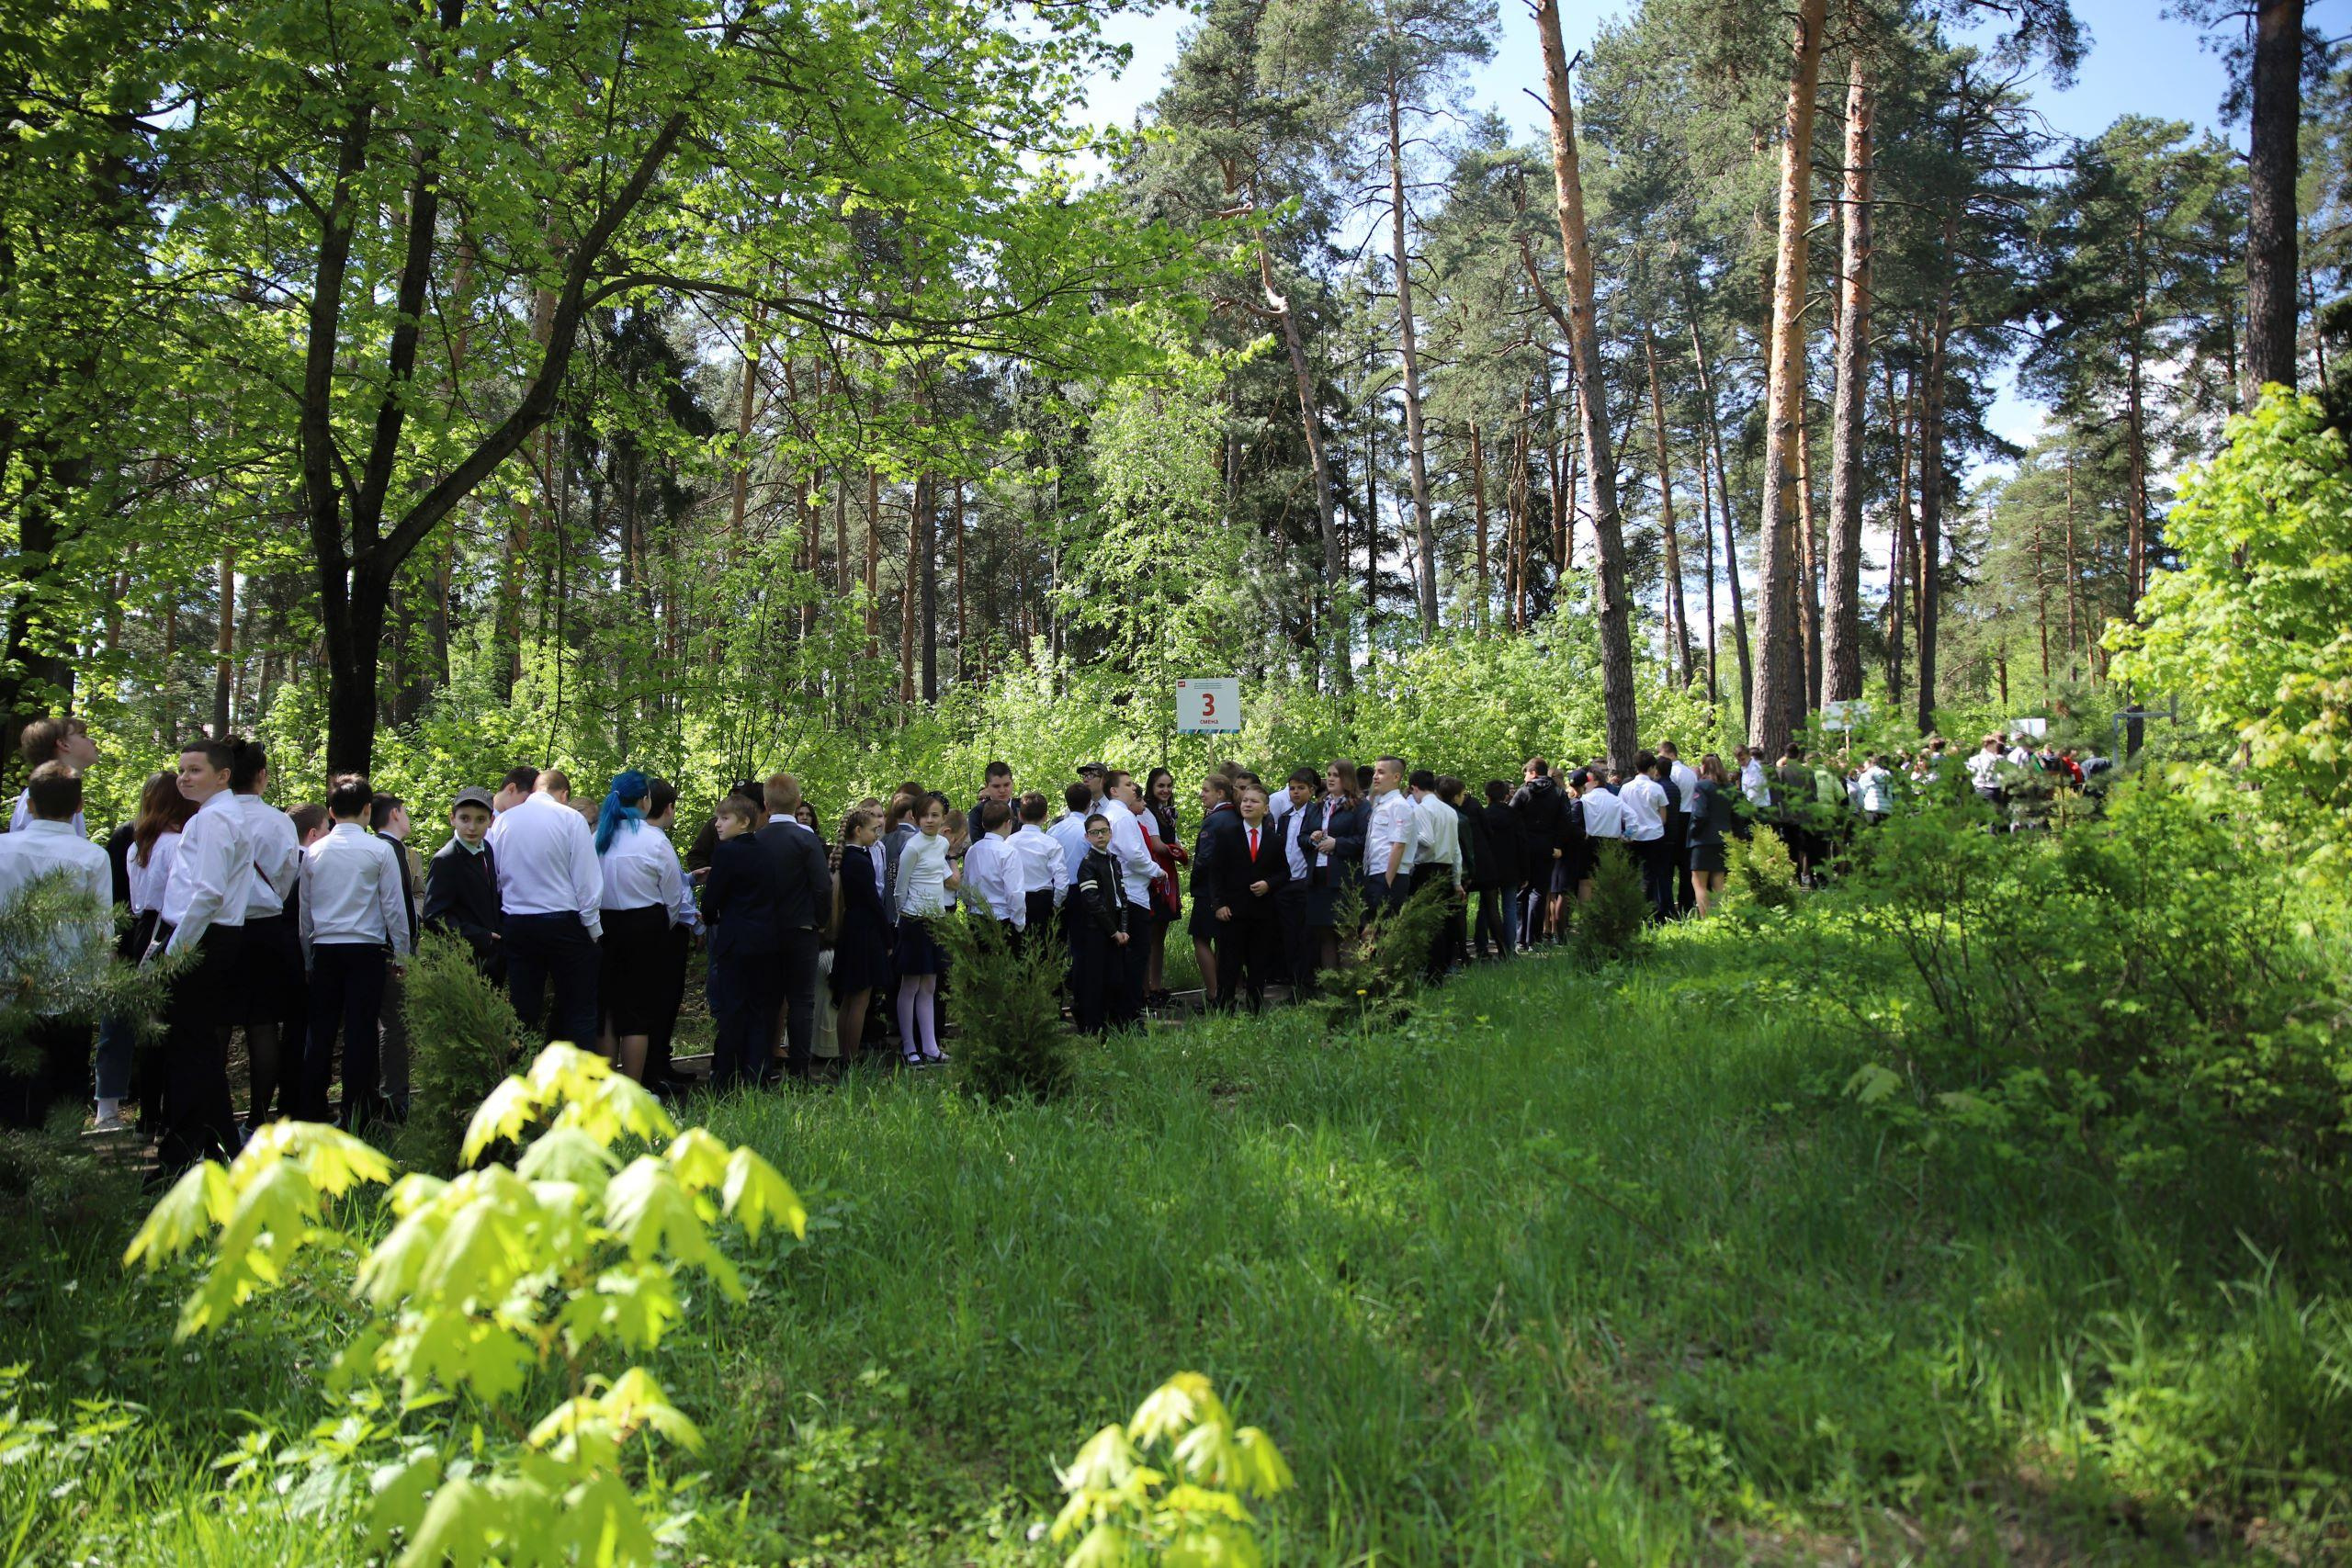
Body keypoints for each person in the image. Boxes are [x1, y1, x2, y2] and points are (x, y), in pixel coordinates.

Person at [147, 739, 254, 1174]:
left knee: (189, 1051)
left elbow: (208, 893)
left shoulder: (214, 820)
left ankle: (179, 1157)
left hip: (201, 940)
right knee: (199, 1049)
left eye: (194, 770)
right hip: (209, 938)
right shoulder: (216, 815)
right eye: (181, 770)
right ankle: (221, 1146)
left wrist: (175, 952)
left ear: (223, 776)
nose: (183, 778)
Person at [0, 762, 112, 1128]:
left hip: (8, 983)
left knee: (11, 1080)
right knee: (65, 1081)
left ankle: (14, 1151)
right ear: (79, 806)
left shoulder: (2, 849)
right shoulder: (92, 857)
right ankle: (63, 1152)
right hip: (69, 985)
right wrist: (100, 983)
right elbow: (101, 928)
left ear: (30, 804)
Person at [297, 774, 411, 1128]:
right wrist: (402, 953)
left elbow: (305, 914)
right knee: (360, 1035)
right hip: (366, 951)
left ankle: (310, 1112)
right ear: (367, 810)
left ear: (331, 811)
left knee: (320, 1034)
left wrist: (307, 957)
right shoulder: (379, 850)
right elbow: (394, 908)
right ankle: (355, 1116)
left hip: (325, 950)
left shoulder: (314, 852)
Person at [488, 768, 602, 1046]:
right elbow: (586, 880)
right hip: (562, 920)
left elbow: (495, 875)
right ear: (564, 795)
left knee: (523, 1009)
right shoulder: (571, 819)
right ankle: (578, 1072)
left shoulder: (504, 821)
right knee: (579, 1006)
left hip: (517, 921)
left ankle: (522, 1068)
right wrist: (592, 928)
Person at [226, 739, 304, 1130]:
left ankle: (215, 1120)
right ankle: (258, 1118)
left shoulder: (210, 817)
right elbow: (289, 875)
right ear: (262, 776)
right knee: (263, 1025)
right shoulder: (279, 821)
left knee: (216, 1025)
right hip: (266, 929)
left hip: (221, 929)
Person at [591, 771, 681, 1082]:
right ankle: (631, 1088)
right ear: (645, 801)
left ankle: (604, 1089)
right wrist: (664, 925)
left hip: (604, 928)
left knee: (607, 1012)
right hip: (645, 928)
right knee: (637, 1013)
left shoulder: (597, 837)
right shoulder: (654, 840)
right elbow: (673, 896)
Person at [701, 795, 784, 1091]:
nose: (718, 824)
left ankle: (725, 1077)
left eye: (725, 819)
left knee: (733, 1009)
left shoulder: (726, 853)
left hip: (736, 941)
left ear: (744, 822)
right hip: (766, 941)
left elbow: (711, 901)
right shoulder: (766, 852)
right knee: (760, 1010)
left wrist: (709, 915)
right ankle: (757, 1074)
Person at [755, 773, 832, 1081]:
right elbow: (822, 886)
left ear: (766, 803)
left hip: (764, 929)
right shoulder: (806, 839)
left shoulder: (757, 839)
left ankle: (762, 1067)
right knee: (802, 1001)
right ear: (798, 801)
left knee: (767, 999)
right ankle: (800, 1070)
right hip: (801, 928)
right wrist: (821, 920)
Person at [1205, 781, 1286, 1011]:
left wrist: (1268, 884)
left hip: (1262, 913)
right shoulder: (1226, 835)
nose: (1248, 804)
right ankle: (1224, 1008)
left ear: (1266, 809)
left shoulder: (1274, 839)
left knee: (1258, 964)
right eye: (1245, 800)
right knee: (1229, 964)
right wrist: (1218, 904)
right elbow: (1215, 873)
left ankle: (1255, 1010)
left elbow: (1284, 873)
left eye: (1254, 801)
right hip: (1232, 911)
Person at [893, 794, 958, 1066]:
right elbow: (900, 889)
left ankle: (930, 1047)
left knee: (930, 984)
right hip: (914, 921)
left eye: (935, 815)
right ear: (915, 818)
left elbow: (942, 877)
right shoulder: (912, 847)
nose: (930, 820)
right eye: (925, 815)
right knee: (910, 985)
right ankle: (910, 1047)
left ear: (943, 818)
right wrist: (906, 915)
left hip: (936, 920)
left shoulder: (942, 844)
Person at [368, 792, 421, 1117]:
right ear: (396, 814)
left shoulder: (399, 852)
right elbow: (394, 906)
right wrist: (403, 952)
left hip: (383, 948)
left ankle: (384, 1097)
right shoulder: (387, 851)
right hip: (389, 950)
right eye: (406, 811)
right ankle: (393, 1101)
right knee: (394, 1026)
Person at [1100, 773, 1162, 1023]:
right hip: (1132, 893)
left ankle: (1122, 1011)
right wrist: (1157, 871)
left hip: (1123, 892)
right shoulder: (1122, 816)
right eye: (1127, 784)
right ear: (1114, 791)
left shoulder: (1113, 814)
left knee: (1126, 956)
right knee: (1136, 955)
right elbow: (1134, 855)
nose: (1134, 787)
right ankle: (1129, 1014)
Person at [830, 807, 889, 1066]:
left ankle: (844, 1055)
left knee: (849, 998)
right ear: (858, 831)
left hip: (852, 929)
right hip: (864, 931)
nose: (876, 834)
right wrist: (887, 937)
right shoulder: (859, 861)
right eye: (873, 830)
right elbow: (873, 902)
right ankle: (850, 1059)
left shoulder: (849, 859)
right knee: (860, 999)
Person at [422, 787, 503, 979]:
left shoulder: (486, 849)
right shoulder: (446, 859)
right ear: (452, 819)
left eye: (480, 819)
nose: (472, 827)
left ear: (491, 821)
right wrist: (481, 936)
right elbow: (433, 916)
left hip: (492, 960)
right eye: (465, 819)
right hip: (462, 961)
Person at [1305, 759, 1367, 978]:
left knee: (1347, 933)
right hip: (1318, 877)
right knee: (1325, 935)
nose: (1330, 779)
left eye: (1336, 775)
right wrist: (1312, 838)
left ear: (1347, 778)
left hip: (1344, 878)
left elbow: (1364, 840)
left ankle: (1350, 988)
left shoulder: (1359, 806)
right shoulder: (1319, 805)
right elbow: (1302, 836)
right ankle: (1330, 988)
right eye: (1329, 774)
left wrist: (1337, 844)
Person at [1067, 814, 1128, 1035]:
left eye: (1104, 831)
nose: (1100, 836)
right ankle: (1094, 1027)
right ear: (1087, 837)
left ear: (1110, 833)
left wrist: (1123, 929)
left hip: (1116, 928)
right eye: (1094, 832)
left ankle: (1116, 1024)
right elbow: (1093, 903)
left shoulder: (1114, 861)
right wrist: (1113, 931)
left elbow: (1122, 897)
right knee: (1095, 980)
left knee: (1116, 978)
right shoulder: (1087, 865)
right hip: (1097, 930)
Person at [1408, 770, 1463, 979]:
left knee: (1427, 922)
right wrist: (1457, 880)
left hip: (1427, 869)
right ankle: (1442, 968)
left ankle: (1431, 971)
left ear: (1414, 788)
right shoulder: (1449, 811)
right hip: (1446, 868)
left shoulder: (1421, 809)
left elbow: (1427, 840)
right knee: (1443, 921)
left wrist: (1409, 839)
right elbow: (1456, 850)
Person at [1187, 774, 1235, 1006]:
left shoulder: (1214, 820)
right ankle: (1230, 991)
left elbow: (1204, 858)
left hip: (1209, 889)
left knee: (1201, 938)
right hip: (1232, 888)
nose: (1201, 794)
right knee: (1225, 941)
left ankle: (1215, 994)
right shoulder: (1238, 816)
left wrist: (1194, 881)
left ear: (1220, 793)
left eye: (1206, 790)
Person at [1272, 768, 1320, 994]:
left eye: (1301, 788)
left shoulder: (1316, 813)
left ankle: (1307, 983)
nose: (1296, 792)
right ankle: (1294, 981)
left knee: (1306, 935)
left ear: (1312, 790)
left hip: (1305, 881)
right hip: (1285, 882)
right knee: (1288, 935)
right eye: (1292, 788)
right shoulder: (1285, 817)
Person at [1509, 760, 1565, 950]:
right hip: (1547, 847)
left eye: (1526, 773)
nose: (1525, 777)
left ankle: (1520, 939)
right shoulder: (1558, 793)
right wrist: (1558, 845)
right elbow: (1564, 821)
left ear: (1533, 773)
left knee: (1522, 891)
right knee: (1539, 892)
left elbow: (1511, 816)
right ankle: (1534, 939)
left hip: (1523, 847)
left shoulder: (1523, 792)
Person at [10, 715, 97, 835]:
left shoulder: (65, 792)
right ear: (64, 744)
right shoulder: (39, 795)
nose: (93, 741)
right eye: (83, 736)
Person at [1141, 767, 1185, 1005]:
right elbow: (1157, 845)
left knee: (1160, 934)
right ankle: (1145, 989)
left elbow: (1174, 840)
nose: (1166, 790)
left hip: (1169, 875)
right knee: (1149, 935)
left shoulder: (1167, 812)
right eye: (1161, 786)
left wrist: (1180, 851)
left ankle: (1156, 986)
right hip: (1154, 877)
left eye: (1169, 786)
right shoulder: (1146, 811)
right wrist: (1180, 853)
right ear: (1151, 787)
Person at [1467, 780, 1519, 961]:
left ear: (1487, 797)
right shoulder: (1515, 815)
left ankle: (1481, 946)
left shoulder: (1485, 815)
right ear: (1506, 795)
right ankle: (1509, 948)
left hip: (1489, 867)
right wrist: (1525, 870)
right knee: (1509, 906)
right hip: (1511, 867)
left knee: (1487, 906)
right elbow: (1522, 843)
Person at [1617, 752, 1670, 920]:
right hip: (1654, 836)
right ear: (1652, 768)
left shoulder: (1626, 788)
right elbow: (1663, 817)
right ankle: (1651, 912)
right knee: (1652, 876)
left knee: (1633, 874)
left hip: (1632, 836)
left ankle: (1633, 911)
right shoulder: (1657, 788)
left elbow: (1621, 812)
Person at [1363, 757, 1419, 917]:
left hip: (1389, 875)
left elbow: (1399, 845)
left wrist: (1387, 882)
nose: (1375, 776)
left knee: (1383, 927)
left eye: (1381, 772)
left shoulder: (1399, 805)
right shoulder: (1381, 804)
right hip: (1374, 873)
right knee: (1371, 927)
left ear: (1396, 777)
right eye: (1375, 772)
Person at [962, 798, 1023, 940]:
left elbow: (966, 884)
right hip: (1002, 918)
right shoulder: (1009, 852)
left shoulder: (972, 850)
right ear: (1009, 823)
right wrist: (1019, 921)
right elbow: (1014, 892)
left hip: (976, 916)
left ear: (983, 824)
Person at [1687, 753, 1736, 918]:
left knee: (1699, 883)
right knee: (1719, 882)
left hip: (1703, 840)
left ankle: (1706, 920)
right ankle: (1724, 917)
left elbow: (1699, 814)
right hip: (1724, 839)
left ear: (1704, 767)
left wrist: (1693, 832)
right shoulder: (1729, 788)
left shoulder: (1702, 786)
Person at [1012, 792, 1067, 937]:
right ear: (1046, 816)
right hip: (1043, 903)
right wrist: (1056, 904)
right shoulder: (1051, 843)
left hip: (1014, 901)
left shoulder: (1009, 842)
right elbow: (1062, 882)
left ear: (1019, 815)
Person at [1657, 740, 1699, 914]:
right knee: (1685, 865)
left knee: (1668, 865)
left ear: (1670, 754)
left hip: (1676, 818)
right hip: (1690, 817)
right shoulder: (1690, 773)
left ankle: (1667, 905)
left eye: (1661, 756)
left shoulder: (1673, 773)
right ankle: (1686, 903)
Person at [1572, 767, 1623, 903]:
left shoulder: (1585, 799)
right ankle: (1606, 910)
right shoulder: (1616, 800)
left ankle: (1586, 913)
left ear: (1596, 782)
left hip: (1589, 841)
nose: (1585, 783)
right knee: (1608, 879)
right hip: (1611, 841)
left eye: (1587, 780)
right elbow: (1632, 818)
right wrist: (1627, 834)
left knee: (1585, 881)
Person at [967, 761, 1014, 843]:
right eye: (996, 786)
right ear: (987, 786)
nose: (1002, 790)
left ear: (1012, 783)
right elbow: (978, 845)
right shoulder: (977, 813)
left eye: (1006, 785)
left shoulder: (1023, 808)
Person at [1856, 754, 1894, 825]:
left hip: (1871, 808)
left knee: (1871, 830)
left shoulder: (1867, 774)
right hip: (1886, 810)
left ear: (1870, 763)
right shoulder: (1888, 774)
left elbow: (1862, 791)